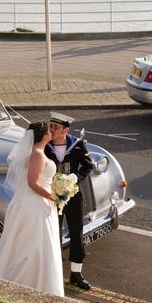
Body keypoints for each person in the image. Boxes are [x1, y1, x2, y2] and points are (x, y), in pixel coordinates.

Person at [0, 122, 64, 297]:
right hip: (36, 204)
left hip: (31, 202)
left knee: (28, 242)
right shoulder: (38, 155)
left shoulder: (34, 153)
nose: (52, 132)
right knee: (35, 244)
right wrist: (52, 196)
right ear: (44, 136)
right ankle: (33, 281)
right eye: (50, 130)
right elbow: (33, 183)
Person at [45, 112, 94, 290]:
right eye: (50, 126)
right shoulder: (45, 146)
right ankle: (55, 271)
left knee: (76, 233)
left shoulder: (78, 145)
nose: (51, 130)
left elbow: (88, 166)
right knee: (53, 233)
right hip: (51, 196)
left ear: (65, 130)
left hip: (73, 196)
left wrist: (75, 177)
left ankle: (76, 273)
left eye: (55, 127)